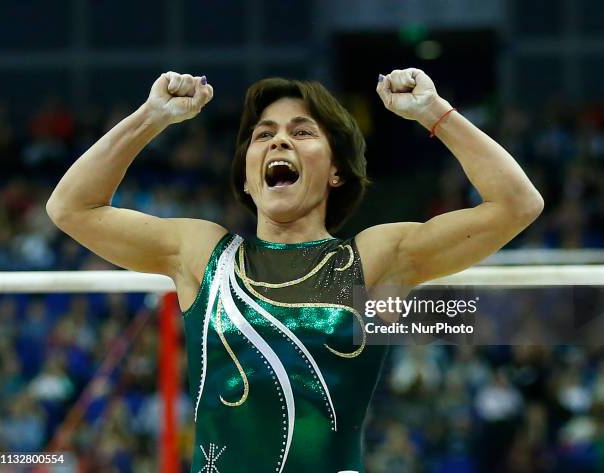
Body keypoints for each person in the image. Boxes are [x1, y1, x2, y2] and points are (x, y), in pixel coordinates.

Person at [46, 68, 544, 472]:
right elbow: (71, 208)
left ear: (336, 170)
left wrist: (434, 113)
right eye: (264, 135)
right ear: (247, 173)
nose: (279, 142)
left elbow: (516, 203)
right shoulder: (201, 253)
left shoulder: (371, 260)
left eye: (301, 132)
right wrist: (150, 117)